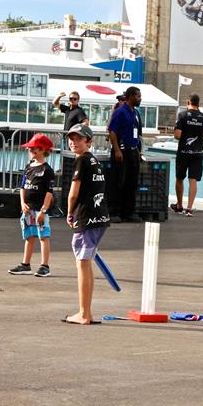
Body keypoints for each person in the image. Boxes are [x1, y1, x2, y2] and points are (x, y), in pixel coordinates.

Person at [64, 124, 110, 325]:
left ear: (88, 141)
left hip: (87, 217)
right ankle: (86, 312)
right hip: (99, 216)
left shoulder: (82, 161)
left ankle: (84, 313)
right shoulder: (94, 161)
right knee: (86, 262)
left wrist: (69, 212)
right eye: (71, 138)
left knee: (82, 263)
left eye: (78, 139)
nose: (73, 142)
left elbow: (74, 192)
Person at [9, 133, 56, 277]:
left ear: (42, 150)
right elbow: (23, 187)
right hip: (28, 209)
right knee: (29, 236)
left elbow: (49, 193)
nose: (30, 151)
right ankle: (25, 264)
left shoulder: (47, 170)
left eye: (33, 149)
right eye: (30, 149)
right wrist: (22, 203)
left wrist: (43, 210)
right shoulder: (29, 167)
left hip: (40, 209)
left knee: (43, 236)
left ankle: (45, 265)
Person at [107, 86, 143, 223]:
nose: (140, 99)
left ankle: (129, 212)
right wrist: (117, 150)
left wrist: (139, 152)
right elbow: (112, 131)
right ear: (131, 97)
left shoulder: (136, 113)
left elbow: (138, 133)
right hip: (121, 150)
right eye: (138, 96)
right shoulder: (120, 111)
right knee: (118, 181)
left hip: (133, 150)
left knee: (132, 182)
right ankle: (114, 211)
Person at [170, 93, 203, 217]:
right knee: (193, 180)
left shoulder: (182, 115)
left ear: (188, 102)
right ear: (198, 103)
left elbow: (178, 135)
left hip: (183, 152)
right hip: (197, 152)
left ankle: (179, 205)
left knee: (179, 178)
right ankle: (189, 208)